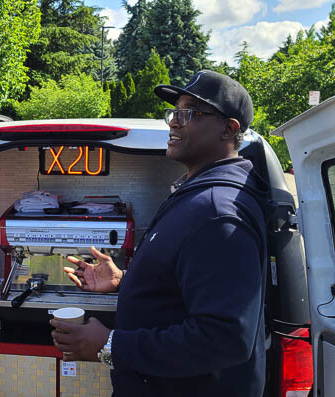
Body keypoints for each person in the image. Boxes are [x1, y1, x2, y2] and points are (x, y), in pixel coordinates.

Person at [51, 70, 271, 396]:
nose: (174, 122)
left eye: (190, 113)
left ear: (229, 128)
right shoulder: (197, 193)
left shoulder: (218, 213)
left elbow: (225, 337)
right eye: (174, 112)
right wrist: (127, 283)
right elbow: (188, 290)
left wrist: (112, 343)